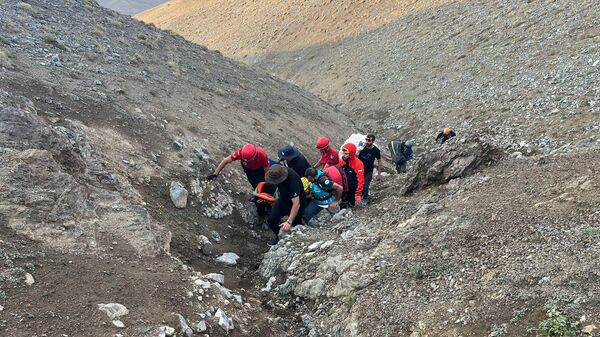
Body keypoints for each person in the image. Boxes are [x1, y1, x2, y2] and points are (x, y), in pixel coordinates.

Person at [207, 143, 270, 215]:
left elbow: (266, 171)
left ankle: (261, 212)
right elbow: (225, 161)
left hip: (260, 171)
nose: (245, 161)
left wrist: (265, 184)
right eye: (244, 160)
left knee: (258, 191)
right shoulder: (240, 153)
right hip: (249, 171)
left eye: (247, 160)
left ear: (254, 157)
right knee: (254, 185)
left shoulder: (262, 155)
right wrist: (215, 174)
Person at [264, 164, 307, 246]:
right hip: (283, 199)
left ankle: (294, 243)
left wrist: (289, 221)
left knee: (296, 226)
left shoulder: (292, 179)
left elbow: (296, 203)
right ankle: (278, 238)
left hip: (297, 204)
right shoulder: (276, 171)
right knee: (271, 220)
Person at [357, 134, 382, 205]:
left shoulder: (376, 150)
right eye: (366, 139)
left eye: (369, 140)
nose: (367, 142)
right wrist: (358, 149)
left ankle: (365, 198)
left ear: (373, 141)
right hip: (359, 170)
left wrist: (379, 174)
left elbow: (379, 161)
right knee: (358, 184)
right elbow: (355, 156)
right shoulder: (362, 147)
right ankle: (359, 196)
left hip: (368, 171)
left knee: (366, 185)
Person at [339, 143, 364, 207]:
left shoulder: (358, 164)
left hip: (354, 190)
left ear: (351, 154)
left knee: (353, 207)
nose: (343, 155)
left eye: (346, 154)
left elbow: (360, 181)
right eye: (343, 153)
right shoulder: (342, 161)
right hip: (345, 189)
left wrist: (358, 194)